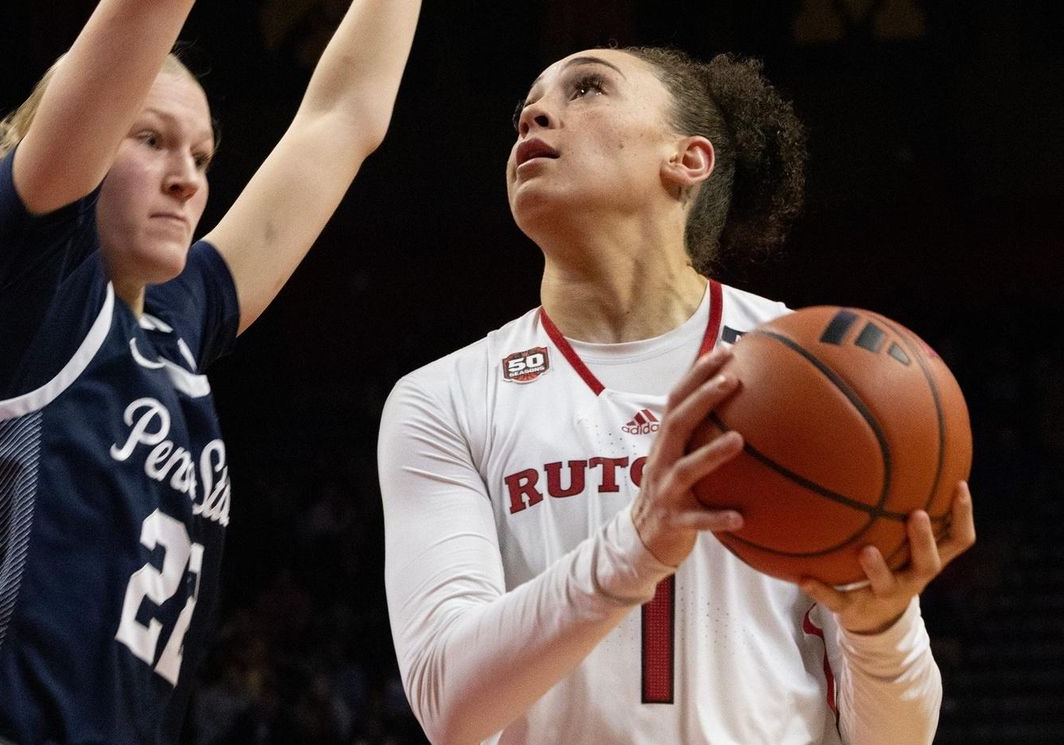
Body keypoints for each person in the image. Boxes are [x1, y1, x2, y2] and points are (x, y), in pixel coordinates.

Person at [378, 45, 975, 744]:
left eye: (588, 88)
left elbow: (896, 739)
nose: (533, 114)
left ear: (688, 159)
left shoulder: (816, 371)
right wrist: (636, 545)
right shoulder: (444, 397)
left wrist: (881, 627)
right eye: (526, 106)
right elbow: (449, 702)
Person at [0, 0, 421, 742]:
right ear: (79, 137)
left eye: (200, 156)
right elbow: (138, 19)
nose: (187, 179)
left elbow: (345, 115)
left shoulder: (175, 321)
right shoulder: (20, 293)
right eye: (152, 140)